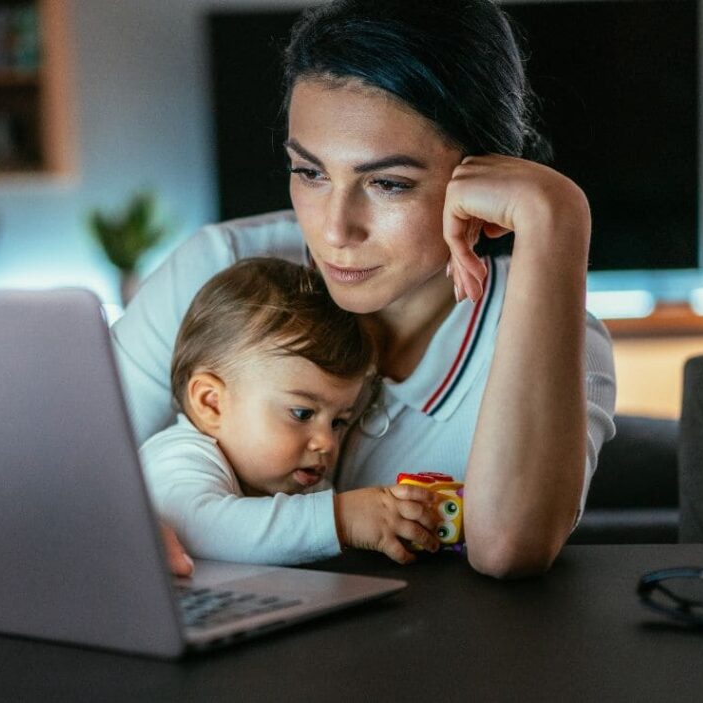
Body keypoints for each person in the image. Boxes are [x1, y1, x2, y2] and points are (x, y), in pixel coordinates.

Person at [116, 0, 616, 579]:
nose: (334, 230)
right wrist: (115, 516)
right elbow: (59, 471)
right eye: (310, 172)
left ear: (486, 187)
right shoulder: (215, 269)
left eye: (388, 183)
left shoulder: (563, 340)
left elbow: (508, 548)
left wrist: (556, 219)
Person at [139, 257, 441, 565]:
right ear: (211, 403)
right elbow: (199, 529)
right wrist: (342, 519)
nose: (327, 442)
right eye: (302, 414)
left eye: (338, 422)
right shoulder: (178, 458)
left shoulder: (291, 483)